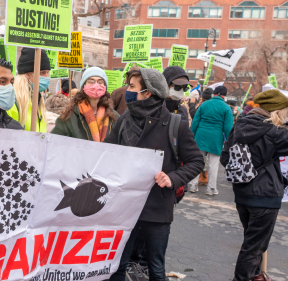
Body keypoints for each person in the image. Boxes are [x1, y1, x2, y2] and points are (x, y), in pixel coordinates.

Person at [105, 68, 204, 281]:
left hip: (156, 209)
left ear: (148, 92)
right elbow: (107, 152)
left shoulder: (176, 124)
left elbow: (197, 161)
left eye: (132, 87)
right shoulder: (124, 119)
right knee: (116, 267)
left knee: (156, 270)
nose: (127, 91)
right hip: (124, 208)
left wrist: (173, 178)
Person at [220, 89, 288, 281]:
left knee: (252, 241)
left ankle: (256, 274)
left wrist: (246, 168)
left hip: (242, 194)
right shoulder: (275, 133)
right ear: (276, 111)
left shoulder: (239, 125)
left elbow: (225, 157)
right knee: (254, 246)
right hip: (265, 195)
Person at [51, 67, 119, 141]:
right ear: (84, 86)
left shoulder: (114, 118)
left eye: (100, 82)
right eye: (91, 81)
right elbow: (54, 143)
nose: (96, 85)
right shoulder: (69, 117)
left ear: (105, 87)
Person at [188, 85, 233, 195]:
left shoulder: (204, 105)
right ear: (224, 96)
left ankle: (193, 185)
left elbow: (195, 122)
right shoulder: (226, 108)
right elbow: (228, 128)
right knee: (213, 164)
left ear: (214, 94)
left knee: (197, 161)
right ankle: (211, 188)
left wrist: (191, 135)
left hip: (201, 136)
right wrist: (229, 141)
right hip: (216, 137)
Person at [8, 47, 50, 132]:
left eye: (47, 72)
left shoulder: (38, 100)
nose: (46, 77)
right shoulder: (12, 102)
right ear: (27, 74)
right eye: (42, 72)